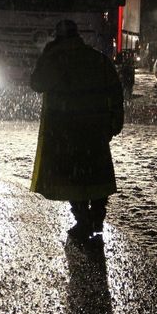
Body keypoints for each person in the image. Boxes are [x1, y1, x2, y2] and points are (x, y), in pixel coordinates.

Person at [29, 19, 124, 242]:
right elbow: (115, 91)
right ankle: (98, 220)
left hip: (64, 129)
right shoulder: (98, 59)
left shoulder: (55, 60)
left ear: (57, 37)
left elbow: (37, 84)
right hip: (95, 127)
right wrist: (114, 122)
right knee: (96, 174)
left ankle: (83, 221)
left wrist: (45, 55)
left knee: (73, 177)